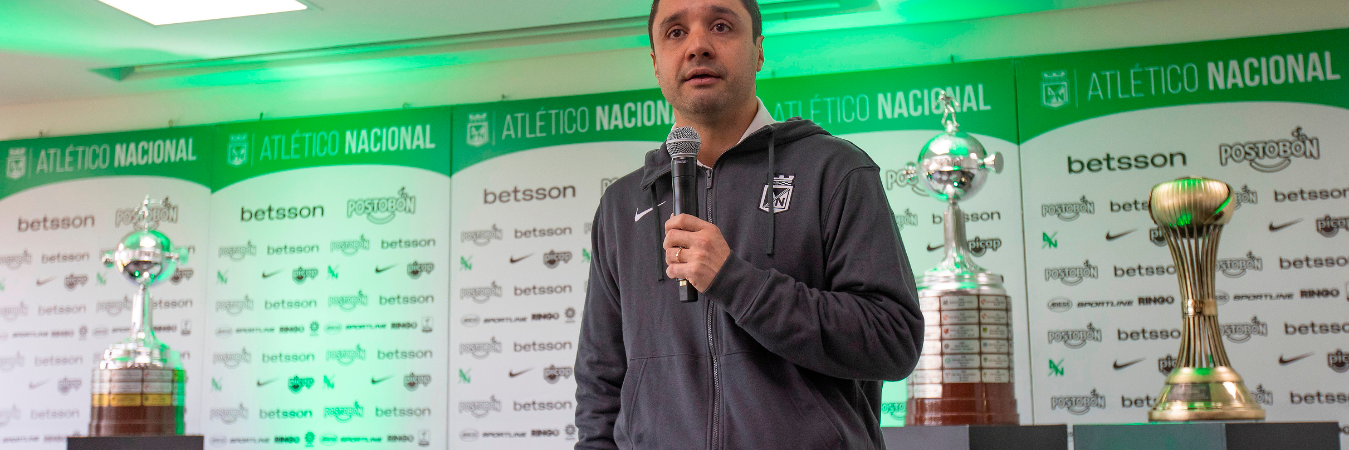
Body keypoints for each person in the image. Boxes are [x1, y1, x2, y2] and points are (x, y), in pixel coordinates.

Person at [574, 0, 924, 448]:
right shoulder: (623, 205)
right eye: (675, 32)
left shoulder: (834, 171)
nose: (698, 45)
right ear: (656, 63)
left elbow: (892, 340)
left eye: (721, 26)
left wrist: (735, 281)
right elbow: (601, 384)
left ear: (758, 50)